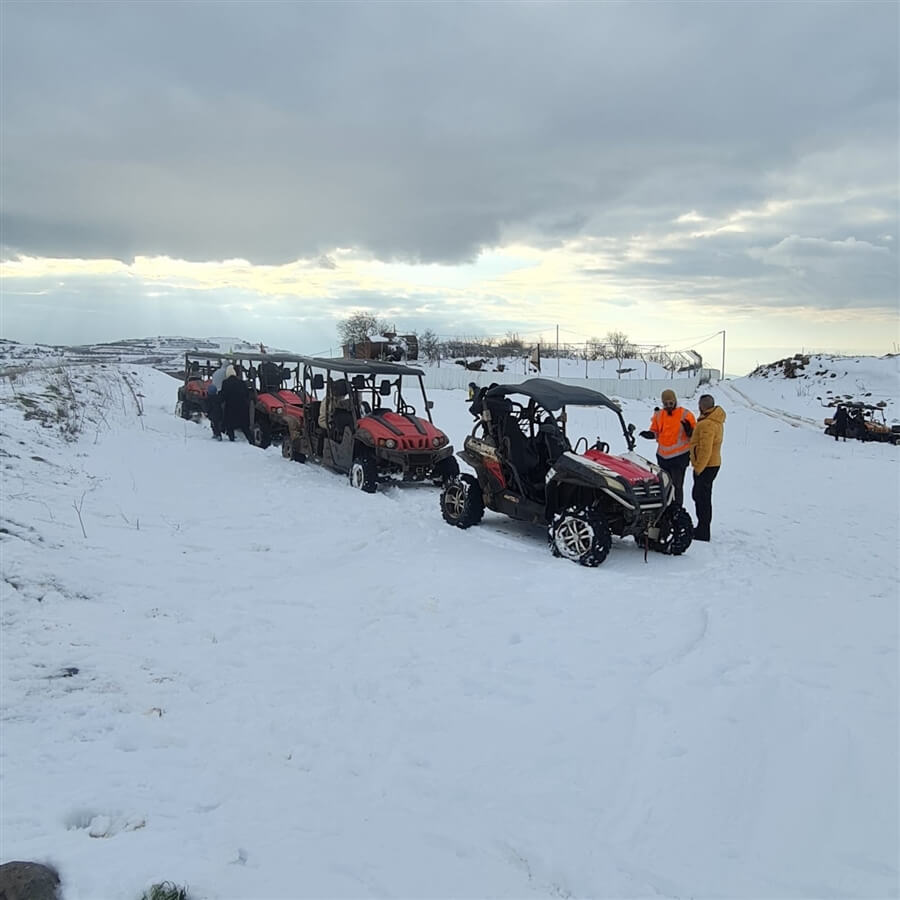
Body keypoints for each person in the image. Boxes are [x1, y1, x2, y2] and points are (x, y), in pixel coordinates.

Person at [639, 389, 696, 508]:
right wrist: (649, 434)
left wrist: (690, 431)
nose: (668, 406)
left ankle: (677, 509)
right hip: (663, 457)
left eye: (671, 403)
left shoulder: (686, 414)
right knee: (665, 486)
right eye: (666, 404)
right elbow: (655, 431)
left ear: (675, 401)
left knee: (677, 486)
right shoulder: (659, 415)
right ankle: (666, 509)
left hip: (680, 457)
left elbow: (696, 434)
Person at [689, 394, 726, 542]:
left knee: (701, 498)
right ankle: (702, 528)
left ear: (702, 406)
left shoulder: (707, 424)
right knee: (701, 496)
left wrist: (698, 468)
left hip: (706, 466)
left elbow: (705, 449)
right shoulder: (715, 420)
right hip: (712, 464)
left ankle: (703, 531)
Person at [219, 365, 253, 442]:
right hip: (243, 407)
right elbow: (247, 394)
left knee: (229, 426)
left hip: (231, 408)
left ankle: (232, 439)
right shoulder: (241, 383)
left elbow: (223, 396)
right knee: (245, 427)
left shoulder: (225, 383)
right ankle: (251, 441)